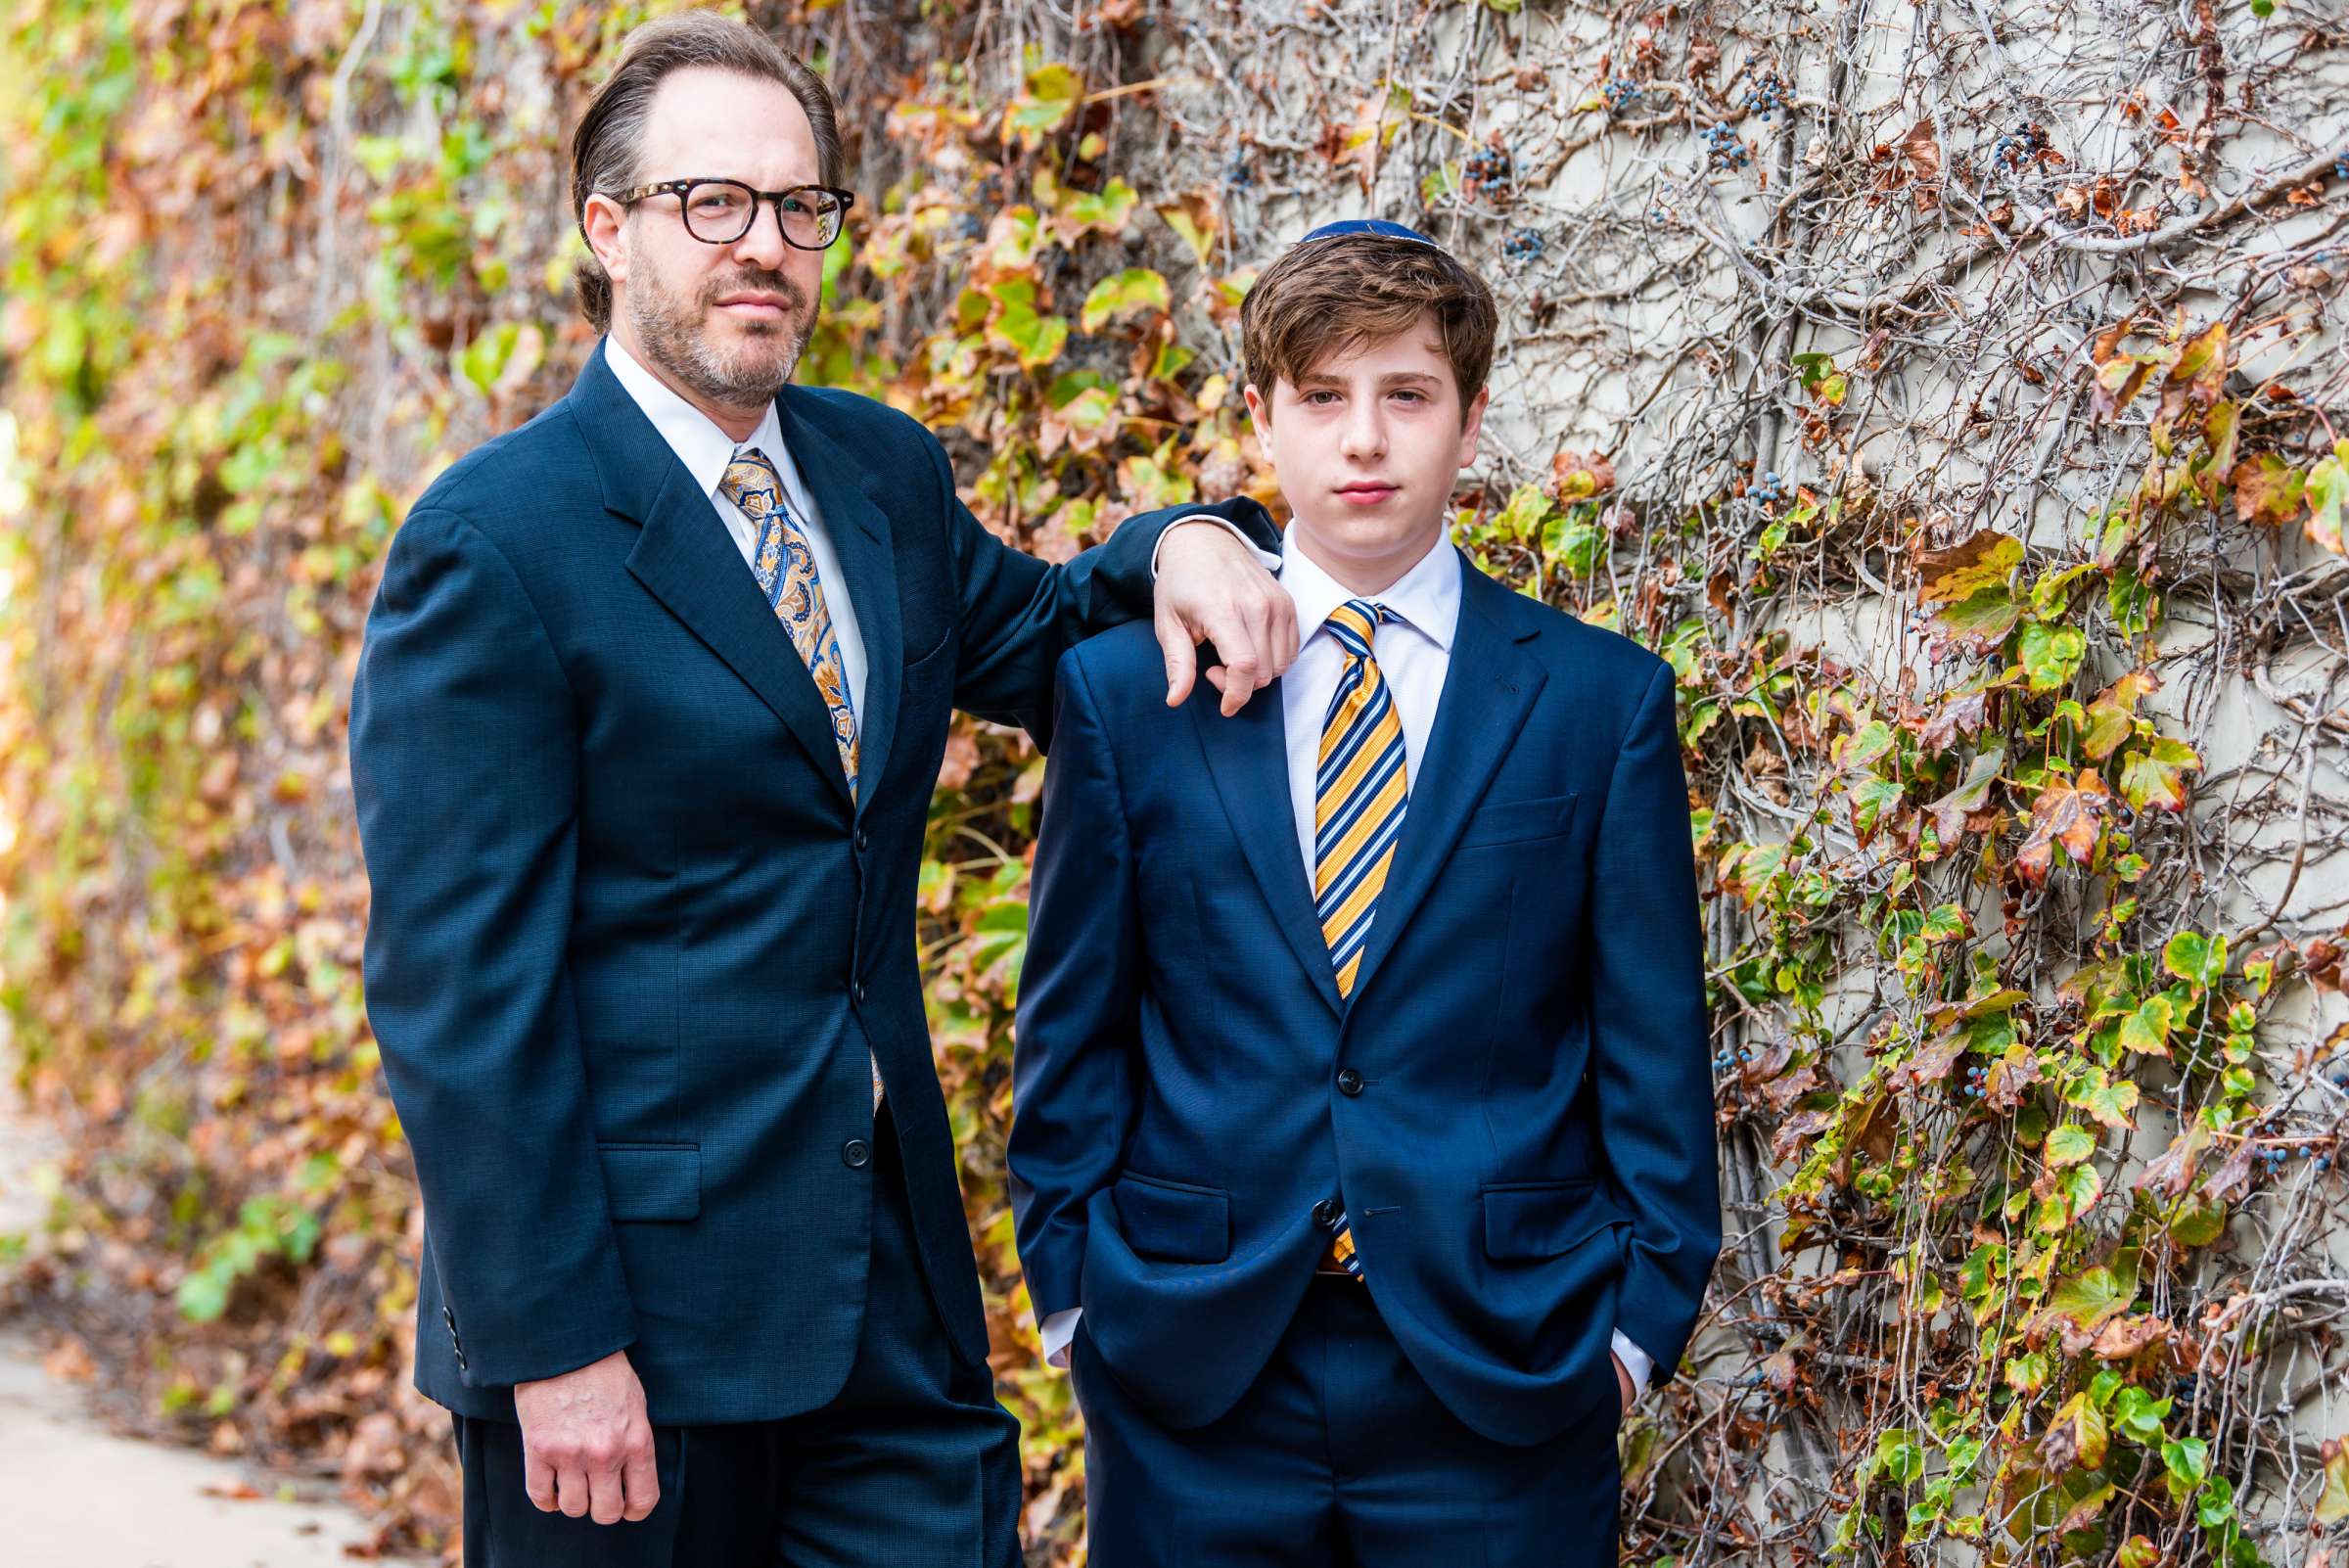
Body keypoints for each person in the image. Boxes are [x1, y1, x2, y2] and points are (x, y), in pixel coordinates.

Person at [347, 13, 1291, 1567]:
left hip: (888, 1303)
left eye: (800, 208)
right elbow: (458, 996)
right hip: (628, 1340)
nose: (765, 246)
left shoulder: (879, 477)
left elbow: (1049, 638)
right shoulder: (493, 543)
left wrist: (1187, 537)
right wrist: (553, 1343)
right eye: (712, 204)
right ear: (609, 229)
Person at [1009, 219, 1721, 1568]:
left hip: (1500, 1379)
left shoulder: (1595, 702)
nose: (1365, 441)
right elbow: (1072, 1031)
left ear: (1470, 417)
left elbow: (1651, 1050)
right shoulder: (1126, 697)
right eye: (1324, 398)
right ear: (1264, 418)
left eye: (1406, 395)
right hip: (1193, 1374)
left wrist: (1625, 1344)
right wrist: (1077, 1312)